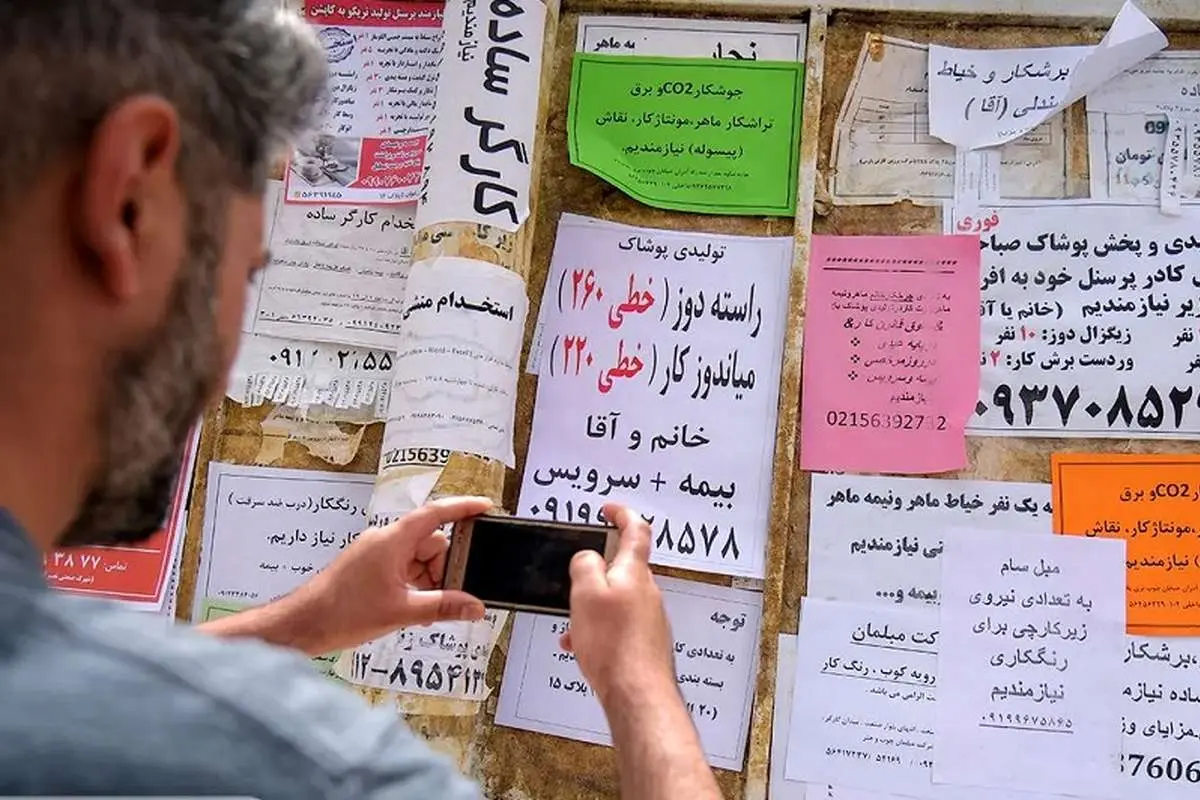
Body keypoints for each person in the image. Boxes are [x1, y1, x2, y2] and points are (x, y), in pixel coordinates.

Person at [0, 2, 723, 799]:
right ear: (127, 202)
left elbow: (86, 698)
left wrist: (304, 623)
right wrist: (637, 683)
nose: (224, 352)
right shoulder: (322, 768)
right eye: (245, 273)